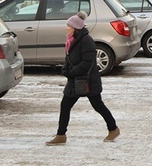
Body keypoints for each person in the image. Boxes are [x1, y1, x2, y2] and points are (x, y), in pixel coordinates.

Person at [45, 11, 120, 145]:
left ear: (76, 28)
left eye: (68, 26)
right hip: (75, 80)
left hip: (88, 81)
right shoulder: (71, 41)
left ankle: (113, 129)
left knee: (98, 105)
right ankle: (61, 135)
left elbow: (87, 62)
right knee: (65, 105)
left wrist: (72, 72)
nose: (66, 28)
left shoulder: (86, 41)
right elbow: (69, 57)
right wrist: (65, 69)